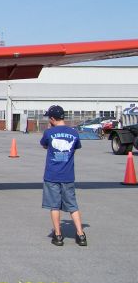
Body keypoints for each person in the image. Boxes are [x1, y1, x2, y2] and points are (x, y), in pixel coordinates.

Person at [40, 105, 87, 246]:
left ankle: (58, 236)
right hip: (68, 175)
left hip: (52, 175)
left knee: (54, 206)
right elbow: (76, 148)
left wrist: (51, 129)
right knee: (73, 205)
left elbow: (44, 145)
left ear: (52, 119)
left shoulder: (49, 133)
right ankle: (81, 234)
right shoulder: (74, 133)